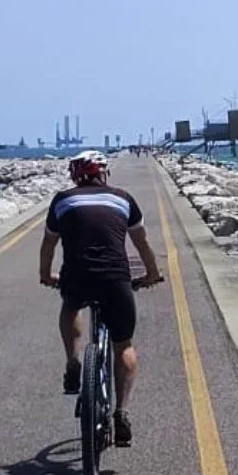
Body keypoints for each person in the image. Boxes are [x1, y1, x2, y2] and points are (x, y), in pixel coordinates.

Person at [39, 151, 163, 446]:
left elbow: (49, 244)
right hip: (115, 278)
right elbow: (142, 241)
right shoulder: (123, 198)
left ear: (75, 177)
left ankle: (72, 362)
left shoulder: (62, 200)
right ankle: (121, 412)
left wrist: (45, 275)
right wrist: (152, 274)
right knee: (124, 344)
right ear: (104, 174)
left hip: (77, 276)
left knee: (71, 307)